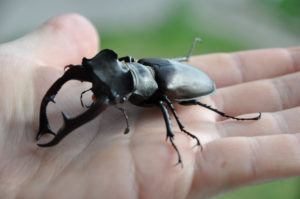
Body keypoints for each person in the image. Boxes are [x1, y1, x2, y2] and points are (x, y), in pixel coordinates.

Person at [0, 14, 299, 199]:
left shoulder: (160, 92)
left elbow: (166, 107)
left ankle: (211, 117)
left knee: (175, 105)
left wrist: (180, 132)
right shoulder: (138, 65)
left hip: (188, 83)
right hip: (155, 71)